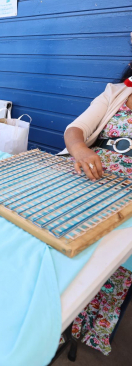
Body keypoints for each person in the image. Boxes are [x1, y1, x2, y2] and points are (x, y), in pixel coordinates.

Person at [62, 62, 132, 355]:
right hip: (88, 180)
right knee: (60, 237)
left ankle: (86, 324)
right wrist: (80, 149)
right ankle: (53, 312)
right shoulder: (114, 93)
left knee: (112, 253)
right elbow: (76, 129)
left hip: (127, 201)